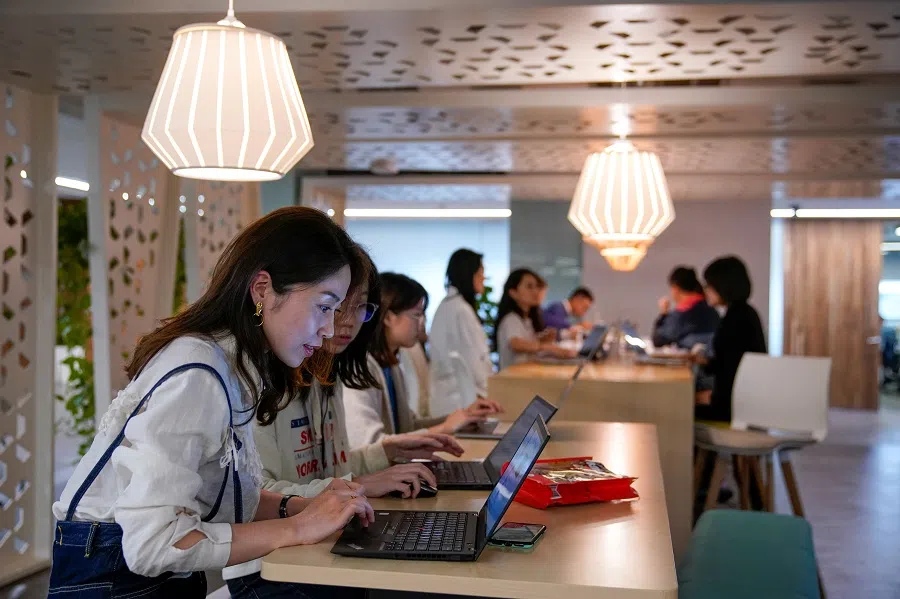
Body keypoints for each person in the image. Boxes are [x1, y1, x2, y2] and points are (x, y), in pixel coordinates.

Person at [49, 207, 375, 598]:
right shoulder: (199, 372)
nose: (328, 330)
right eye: (324, 307)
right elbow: (153, 544)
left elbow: (219, 493)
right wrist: (298, 527)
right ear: (262, 290)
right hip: (113, 581)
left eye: (335, 311)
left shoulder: (230, 363)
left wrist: (304, 505)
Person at [226, 248, 462, 598]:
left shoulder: (328, 375)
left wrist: (385, 453)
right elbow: (258, 495)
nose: (348, 321)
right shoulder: (259, 381)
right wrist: (360, 483)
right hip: (267, 564)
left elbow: (328, 469)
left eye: (361, 307)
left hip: (323, 545)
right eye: (335, 305)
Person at [343, 272, 501, 447]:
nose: (422, 323)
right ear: (388, 317)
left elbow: (406, 427)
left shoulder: (392, 366)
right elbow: (370, 445)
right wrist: (445, 427)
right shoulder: (360, 369)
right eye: (416, 315)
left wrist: (461, 418)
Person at [692, 256, 767, 422]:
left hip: (734, 406)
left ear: (722, 286)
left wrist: (712, 397)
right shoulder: (744, 313)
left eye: (708, 285)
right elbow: (730, 360)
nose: (705, 290)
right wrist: (707, 362)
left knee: (679, 408)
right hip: (743, 401)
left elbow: (731, 370)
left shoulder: (735, 319)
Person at [429, 249, 495, 417]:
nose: (483, 278)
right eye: (480, 273)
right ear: (468, 274)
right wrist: (488, 393)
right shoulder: (460, 310)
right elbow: (474, 361)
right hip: (460, 400)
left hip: (450, 398)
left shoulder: (447, 305)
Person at [494, 269, 577, 370]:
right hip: (514, 376)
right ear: (513, 293)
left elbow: (525, 344)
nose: (536, 291)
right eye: (529, 287)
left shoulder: (527, 319)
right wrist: (547, 347)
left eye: (537, 286)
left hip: (526, 372)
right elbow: (516, 344)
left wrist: (542, 340)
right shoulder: (511, 319)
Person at [653, 267, 719, 350]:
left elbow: (659, 340)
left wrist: (663, 314)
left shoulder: (682, 313)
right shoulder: (712, 311)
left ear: (675, 288)